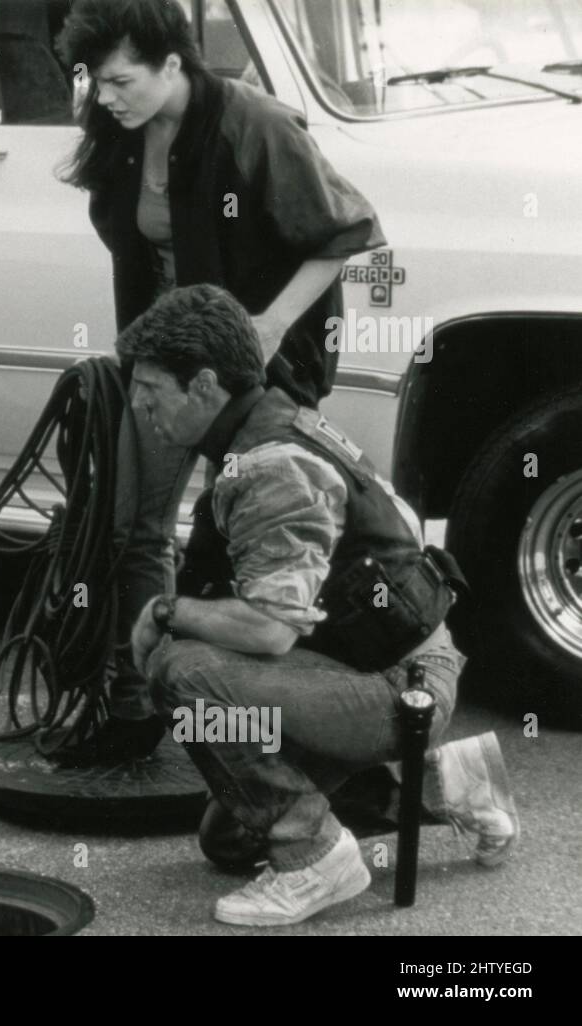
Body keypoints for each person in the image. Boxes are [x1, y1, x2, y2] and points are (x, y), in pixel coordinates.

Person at [121, 285, 517, 927]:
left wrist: (165, 612)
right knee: (229, 839)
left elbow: (271, 629)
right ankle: (449, 782)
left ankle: (315, 860)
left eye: (150, 386)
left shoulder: (270, 465)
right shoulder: (273, 416)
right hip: (380, 665)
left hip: (399, 687)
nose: (138, 403)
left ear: (202, 385)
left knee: (182, 671)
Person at [54, 0, 386, 764]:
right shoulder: (123, 126)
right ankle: (135, 707)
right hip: (168, 356)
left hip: (260, 369)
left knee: (262, 546)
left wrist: (267, 326)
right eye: (94, 81)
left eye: (119, 80)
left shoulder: (256, 124)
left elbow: (348, 232)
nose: (104, 98)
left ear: (175, 62)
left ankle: (293, 733)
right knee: (133, 522)